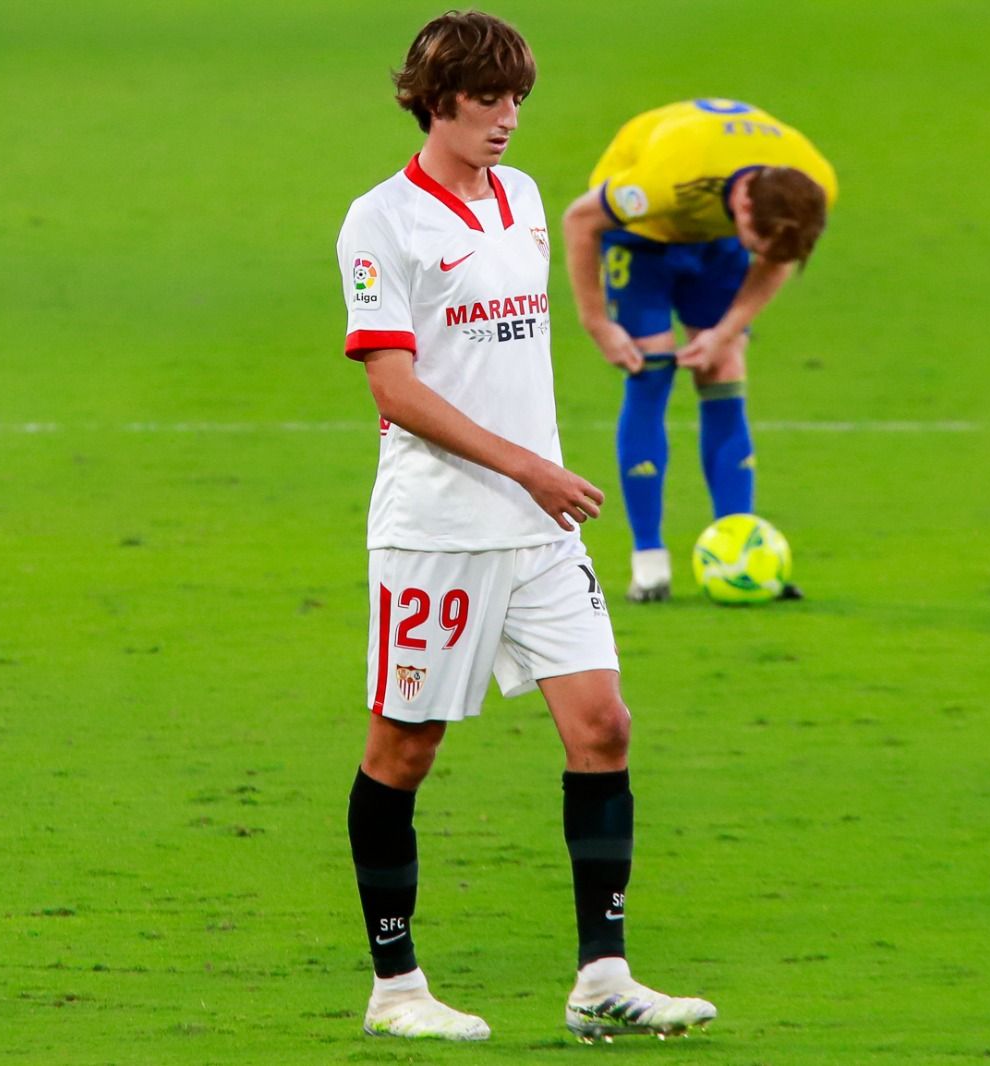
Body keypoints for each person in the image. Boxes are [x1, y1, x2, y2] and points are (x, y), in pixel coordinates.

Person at [334, 12, 716, 1044]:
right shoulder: (382, 221)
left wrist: (598, 331)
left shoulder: (525, 199)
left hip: (540, 530)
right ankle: (395, 987)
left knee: (604, 726)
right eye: (486, 99)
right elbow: (396, 389)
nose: (507, 119)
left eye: (517, 100)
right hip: (439, 533)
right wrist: (528, 466)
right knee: (402, 750)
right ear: (435, 100)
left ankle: (602, 974)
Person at [562, 99, 837, 601]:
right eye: (757, 243)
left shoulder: (812, 185)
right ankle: (649, 561)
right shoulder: (665, 180)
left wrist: (727, 330)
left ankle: (740, 553)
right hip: (641, 230)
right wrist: (598, 323)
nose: (762, 255)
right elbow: (580, 221)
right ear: (746, 206)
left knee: (724, 362)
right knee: (649, 364)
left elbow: (774, 258)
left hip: (715, 234)